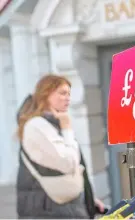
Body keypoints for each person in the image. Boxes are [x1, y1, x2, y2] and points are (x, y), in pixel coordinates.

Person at [16, 74, 105, 219]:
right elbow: (68, 162)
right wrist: (67, 128)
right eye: (62, 93)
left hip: (61, 208)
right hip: (49, 212)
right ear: (46, 94)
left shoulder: (51, 124)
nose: (68, 98)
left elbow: (65, 170)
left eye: (69, 93)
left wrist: (87, 200)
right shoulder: (37, 126)